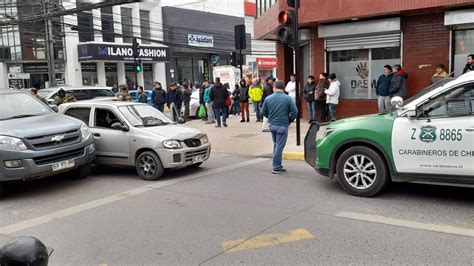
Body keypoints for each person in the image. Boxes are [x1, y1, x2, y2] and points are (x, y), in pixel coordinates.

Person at [262, 80, 298, 174]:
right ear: (283, 88)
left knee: (276, 145)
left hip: (272, 125)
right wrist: (289, 120)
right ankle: (276, 167)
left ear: (274, 87)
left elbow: (263, 112)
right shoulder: (288, 98)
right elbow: (295, 112)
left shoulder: (268, 98)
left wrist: (270, 117)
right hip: (282, 125)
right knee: (279, 146)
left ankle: (277, 165)